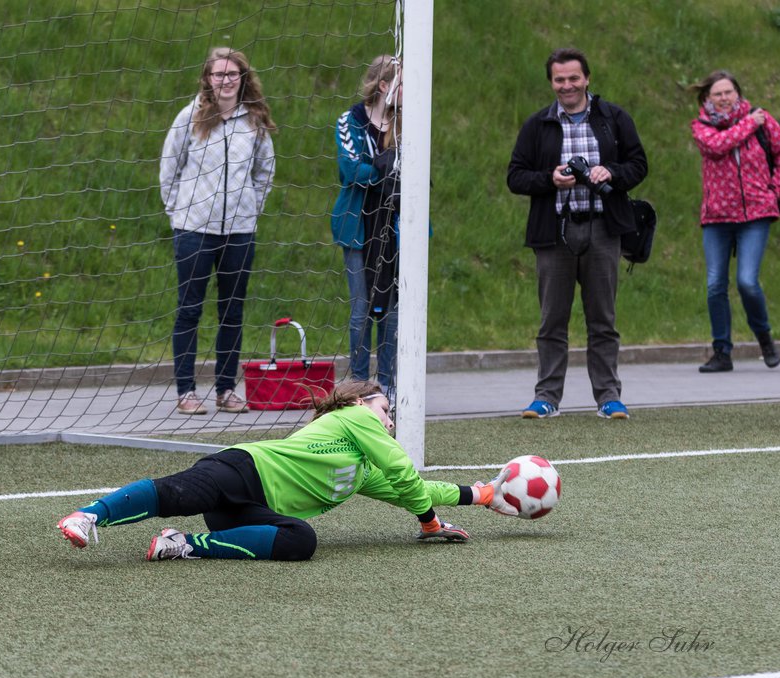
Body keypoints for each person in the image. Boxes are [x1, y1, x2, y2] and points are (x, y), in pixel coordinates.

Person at [56, 379, 516, 561]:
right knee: (175, 495)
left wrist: (479, 495)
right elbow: (403, 469)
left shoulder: (359, 470)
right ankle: (88, 515)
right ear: (359, 404)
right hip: (242, 469)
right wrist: (429, 521)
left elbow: (407, 487)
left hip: (250, 510)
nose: (390, 419)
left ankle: (187, 546)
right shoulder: (353, 418)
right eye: (385, 410)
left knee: (302, 541)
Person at [507, 48, 648, 420]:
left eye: (573, 78)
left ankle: (608, 397)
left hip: (603, 228)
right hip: (554, 232)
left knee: (603, 319)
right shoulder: (538, 125)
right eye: (559, 79)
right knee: (552, 320)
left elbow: (639, 165)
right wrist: (550, 179)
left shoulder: (613, 118)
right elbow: (515, 176)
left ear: (587, 78)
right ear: (551, 82)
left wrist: (610, 174)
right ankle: (546, 397)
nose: (567, 85)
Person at [160, 48, 276, 416]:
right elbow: (169, 170)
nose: (225, 81)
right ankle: (186, 392)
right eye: (218, 74)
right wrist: (180, 213)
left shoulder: (254, 122)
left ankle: (226, 389)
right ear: (207, 78)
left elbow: (264, 172)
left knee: (232, 312)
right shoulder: (190, 116)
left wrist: (249, 212)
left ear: (243, 78)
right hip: (193, 231)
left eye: (232, 74)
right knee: (189, 310)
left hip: (239, 233)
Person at [690, 71, 780, 374]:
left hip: (755, 214)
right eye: (717, 94)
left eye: (728, 92)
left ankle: (764, 338)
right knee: (714, 285)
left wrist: (776, 191)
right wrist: (750, 123)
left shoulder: (763, 119)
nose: (723, 98)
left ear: (738, 93)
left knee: (747, 281)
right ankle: (722, 351)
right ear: (707, 98)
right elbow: (719, 145)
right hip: (717, 216)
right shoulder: (702, 126)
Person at [331, 55, 402, 397]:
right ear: (385, 86)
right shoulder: (350, 121)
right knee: (361, 306)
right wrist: (385, 171)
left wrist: (377, 170)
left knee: (392, 310)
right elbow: (351, 172)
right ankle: (359, 383)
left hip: (399, 226)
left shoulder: (408, 123)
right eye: (404, 83)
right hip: (358, 225)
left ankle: (388, 383)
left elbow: (417, 174)